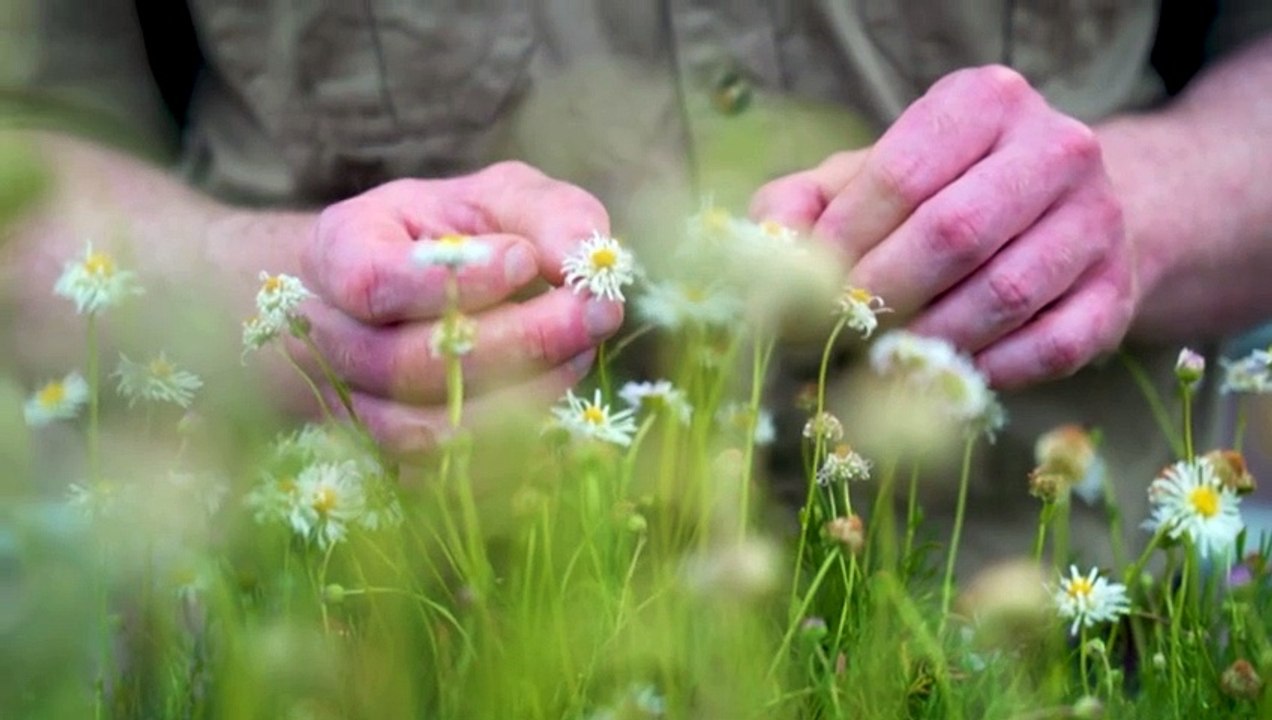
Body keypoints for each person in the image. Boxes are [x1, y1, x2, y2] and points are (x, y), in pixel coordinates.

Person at [3, 2, 1271, 566]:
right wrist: (295, 309)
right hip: (366, 643)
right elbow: (28, 164)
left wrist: (1141, 208)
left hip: (1076, 637)